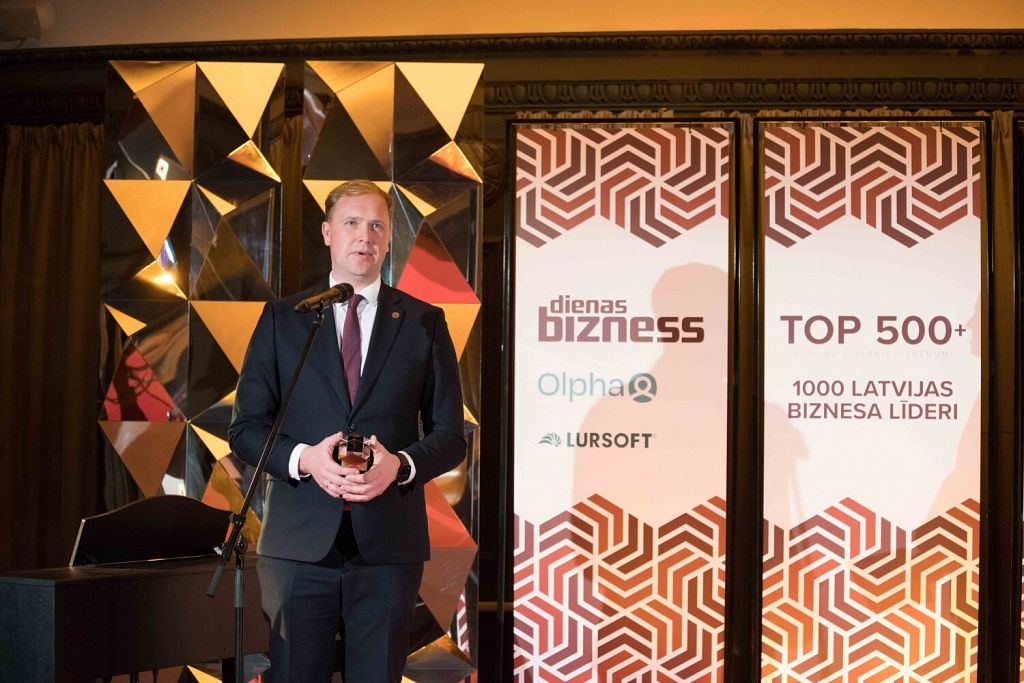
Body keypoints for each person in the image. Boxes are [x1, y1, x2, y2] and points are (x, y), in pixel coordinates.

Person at [229, 180, 466, 682]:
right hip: (298, 546)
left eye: (377, 225)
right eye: (352, 223)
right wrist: (306, 459)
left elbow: (450, 436)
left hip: (388, 546)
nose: (365, 236)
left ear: (389, 238)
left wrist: (400, 466)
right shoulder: (283, 320)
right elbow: (246, 429)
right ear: (327, 233)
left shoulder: (424, 321)